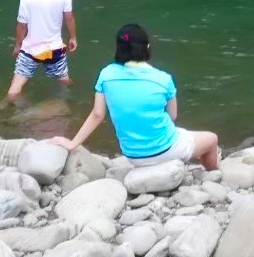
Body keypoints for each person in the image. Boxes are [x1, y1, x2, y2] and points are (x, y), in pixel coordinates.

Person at [51, 23, 220, 170]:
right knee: (212, 139)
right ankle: (213, 174)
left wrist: (72, 144)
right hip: (165, 150)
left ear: (119, 48)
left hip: (133, 155)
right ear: (147, 48)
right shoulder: (164, 79)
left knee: (183, 134)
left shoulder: (106, 74)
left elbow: (97, 114)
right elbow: (172, 117)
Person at [6, 0, 77, 101]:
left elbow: (21, 25)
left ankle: (4, 104)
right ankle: (71, 101)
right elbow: (69, 18)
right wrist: (73, 37)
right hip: (54, 49)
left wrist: (18, 45)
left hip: (30, 49)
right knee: (64, 80)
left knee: (16, 84)